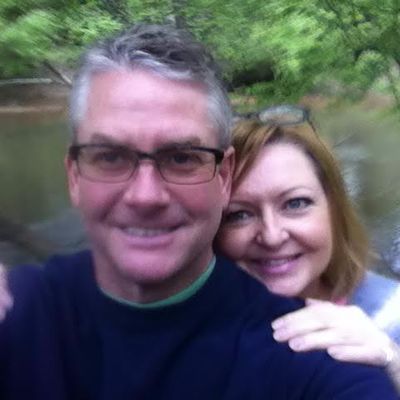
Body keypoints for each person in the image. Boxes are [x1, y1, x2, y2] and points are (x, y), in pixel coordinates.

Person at [0, 24, 398, 400]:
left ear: (222, 177)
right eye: (110, 156)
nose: (145, 196)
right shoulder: (17, 308)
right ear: (73, 175)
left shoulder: (324, 354)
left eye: (181, 157)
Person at [216, 112, 400, 392]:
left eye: (295, 203)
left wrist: (392, 361)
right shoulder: (200, 329)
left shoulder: (391, 313)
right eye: (239, 215)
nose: (272, 236)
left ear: (334, 209)